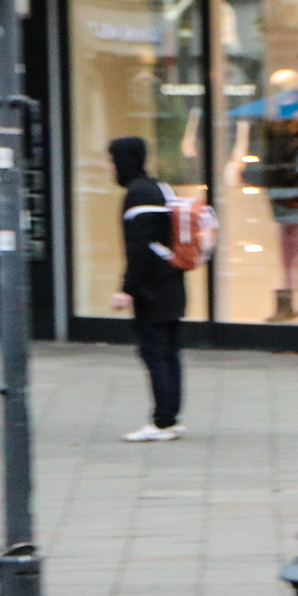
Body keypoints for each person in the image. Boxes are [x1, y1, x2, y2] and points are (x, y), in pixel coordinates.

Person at [107, 136, 187, 442]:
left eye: (112, 161)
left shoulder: (138, 195)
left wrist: (127, 289)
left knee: (156, 355)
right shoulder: (159, 189)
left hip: (153, 291)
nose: (109, 167)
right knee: (169, 354)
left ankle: (163, 422)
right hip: (172, 282)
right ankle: (170, 417)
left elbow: (139, 248)